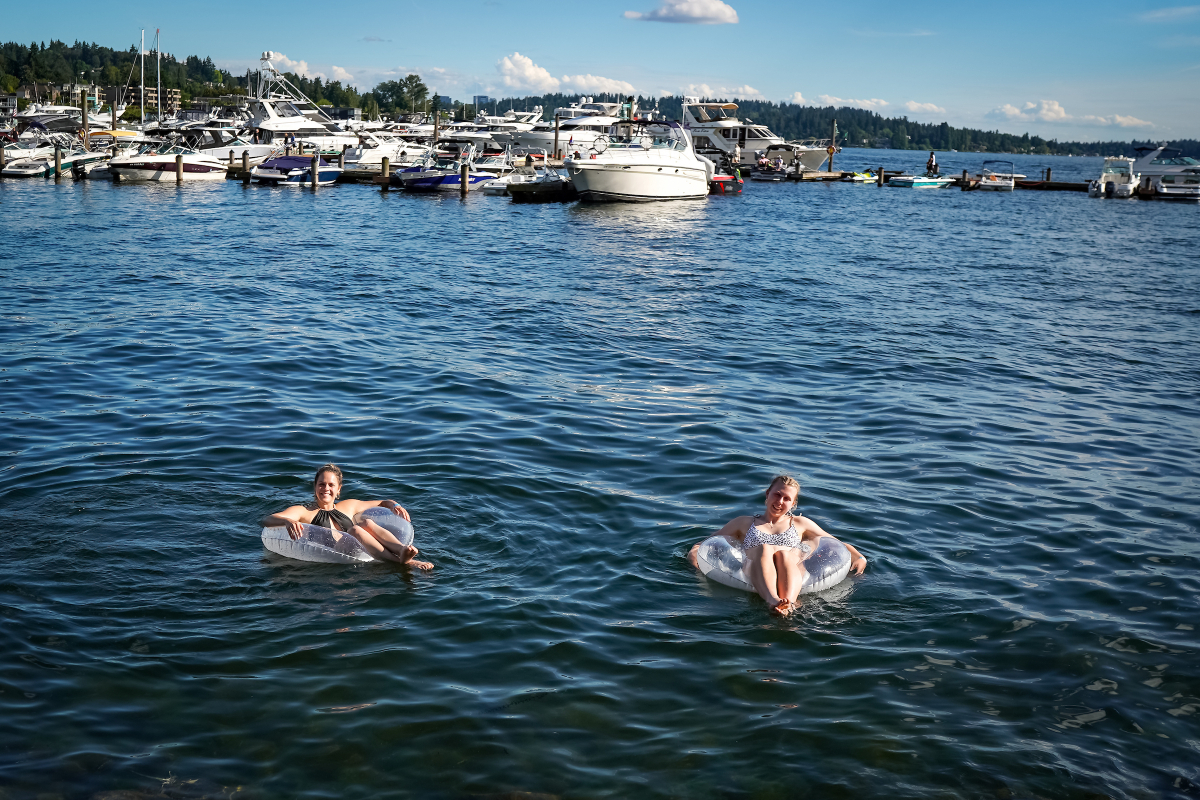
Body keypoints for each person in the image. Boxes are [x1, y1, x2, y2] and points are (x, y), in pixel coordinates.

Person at [688, 476, 866, 616]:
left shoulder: (800, 523)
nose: (780, 501)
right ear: (767, 494)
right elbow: (706, 543)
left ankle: (787, 602)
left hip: (792, 569)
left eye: (787, 498)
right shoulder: (744, 522)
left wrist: (859, 557)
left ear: (793, 504)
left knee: (784, 554)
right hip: (755, 569)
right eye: (777, 494)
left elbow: (836, 543)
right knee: (765, 548)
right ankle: (774, 601)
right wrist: (695, 554)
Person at [263, 464, 432, 569]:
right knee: (357, 530)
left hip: (362, 552)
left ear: (338, 490)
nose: (326, 488)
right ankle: (405, 562)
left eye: (331, 485)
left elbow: (382, 502)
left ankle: (401, 550)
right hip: (335, 554)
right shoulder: (304, 511)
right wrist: (287, 520)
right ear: (315, 487)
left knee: (365, 522)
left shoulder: (348, 505)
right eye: (321, 484)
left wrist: (395, 505)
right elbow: (267, 520)